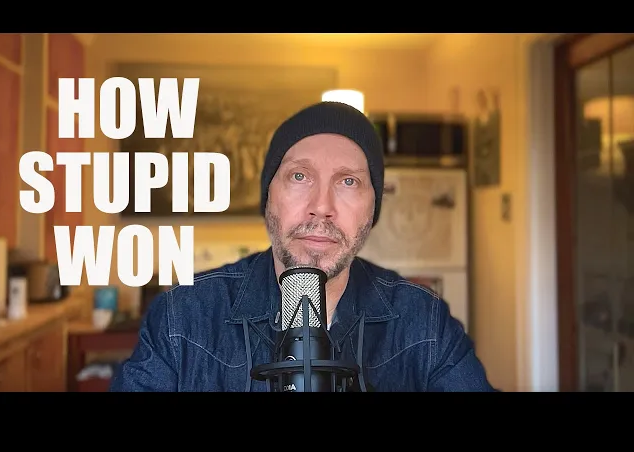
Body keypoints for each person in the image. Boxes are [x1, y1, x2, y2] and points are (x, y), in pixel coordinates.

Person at [109, 101, 496, 392]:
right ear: (269, 196)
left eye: (348, 181)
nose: (321, 206)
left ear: (373, 207)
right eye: (299, 176)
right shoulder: (182, 319)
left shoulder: (425, 325)